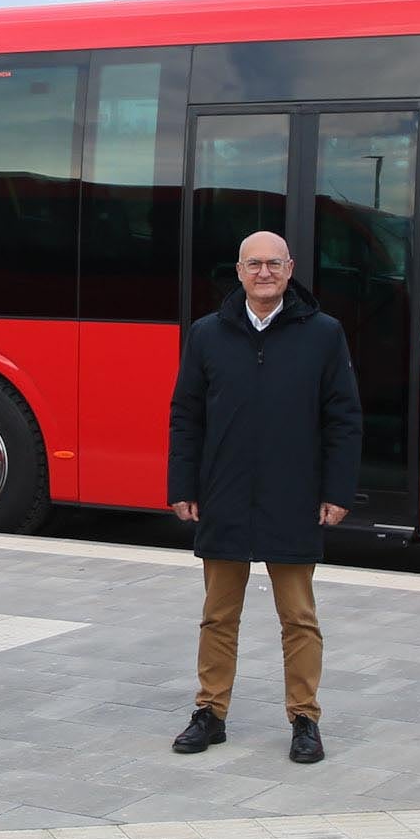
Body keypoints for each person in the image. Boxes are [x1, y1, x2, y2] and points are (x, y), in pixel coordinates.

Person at [166, 230, 360, 762]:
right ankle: (210, 712)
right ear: (239, 271)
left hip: (293, 496)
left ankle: (304, 718)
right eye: (254, 264)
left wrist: (337, 490)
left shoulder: (323, 334)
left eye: (274, 264)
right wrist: (182, 485)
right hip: (222, 494)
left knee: (298, 616)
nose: (264, 273)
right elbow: (187, 415)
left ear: (291, 268)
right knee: (217, 616)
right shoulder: (208, 334)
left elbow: (343, 418)